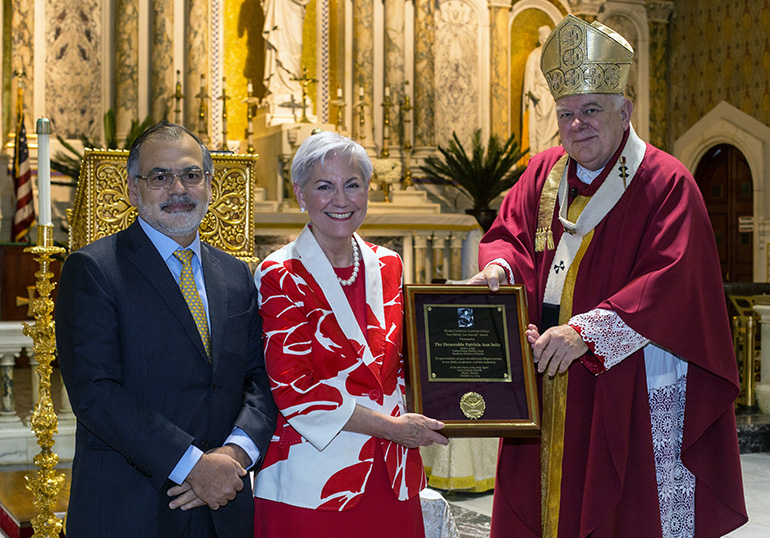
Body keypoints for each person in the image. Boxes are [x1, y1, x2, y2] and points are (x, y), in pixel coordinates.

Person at [468, 15, 748, 538]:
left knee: (625, 507)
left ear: (625, 110)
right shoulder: (543, 171)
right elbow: (509, 234)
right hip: (543, 371)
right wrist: (498, 269)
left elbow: (671, 279)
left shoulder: (666, 182)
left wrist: (585, 333)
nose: (577, 125)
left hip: (626, 376)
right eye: (567, 113)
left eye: (591, 110)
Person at [56, 121, 278, 537]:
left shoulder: (234, 274)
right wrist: (194, 466)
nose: (179, 188)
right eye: (160, 177)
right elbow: (95, 392)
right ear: (133, 190)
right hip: (130, 509)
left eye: (191, 175)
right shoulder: (94, 269)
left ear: (209, 184)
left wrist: (233, 457)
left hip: (222, 509)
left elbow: (260, 378)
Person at [252, 131, 448, 537]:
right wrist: (389, 427)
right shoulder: (280, 273)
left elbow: (408, 359)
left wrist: (500, 339)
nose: (341, 200)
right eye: (324, 187)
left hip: (393, 475)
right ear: (300, 195)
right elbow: (292, 388)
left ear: (367, 190)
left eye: (352, 184)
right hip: (314, 477)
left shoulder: (389, 263)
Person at [261, 0, 311, 123]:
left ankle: (292, 85)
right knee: (278, 44)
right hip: (277, 7)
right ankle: (278, 87)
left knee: (295, 46)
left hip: (294, 10)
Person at [522, 25, 559, 154]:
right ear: (541, 39)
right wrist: (533, 91)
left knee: (555, 128)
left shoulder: (555, 55)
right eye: (545, 37)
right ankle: (541, 152)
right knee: (542, 127)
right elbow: (530, 76)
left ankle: (552, 153)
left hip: (553, 95)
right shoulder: (534, 55)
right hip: (541, 95)